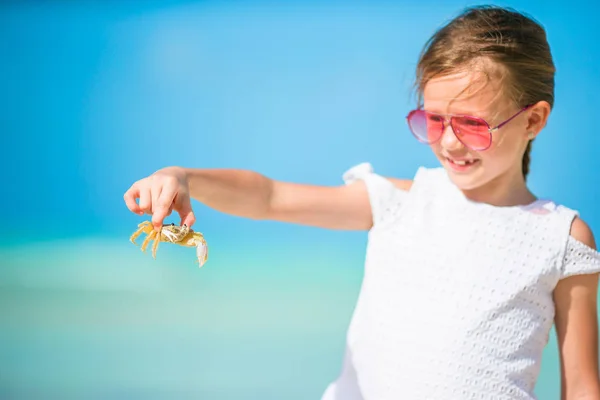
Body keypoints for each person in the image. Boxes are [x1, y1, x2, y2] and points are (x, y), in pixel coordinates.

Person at [123, 5, 600, 399]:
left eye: (473, 125)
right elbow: (270, 196)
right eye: (434, 121)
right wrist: (181, 176)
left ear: (533, 120)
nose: (450, 143)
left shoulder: (559, 238)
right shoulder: (399, 204)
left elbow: (580, 385)